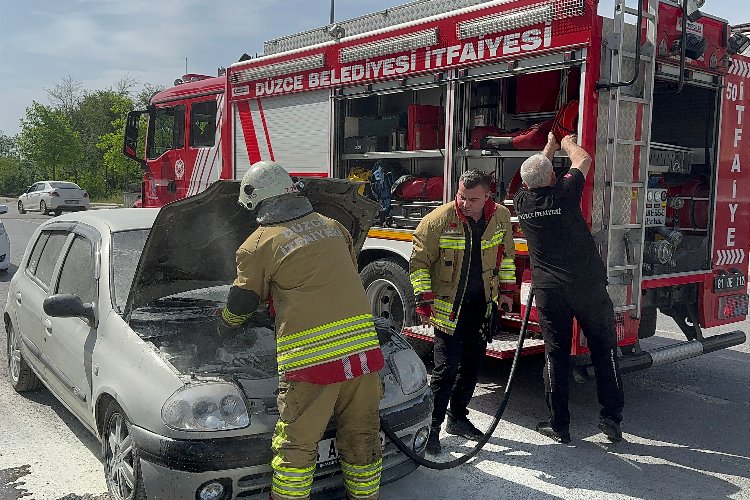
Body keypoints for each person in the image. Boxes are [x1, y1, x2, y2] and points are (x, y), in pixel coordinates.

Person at [217, 161, 385, 500]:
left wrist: (222, 328)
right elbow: (341, 276)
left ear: (257, 201)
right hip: (363, 356)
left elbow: (244, 301)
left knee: (296, 447)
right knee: (362, 436)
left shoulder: (258, 243)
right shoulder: (333, 226)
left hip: (312, 362)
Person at [514, 133, 624, 444]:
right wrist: (565, 141)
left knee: (556, 355)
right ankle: (611, 419)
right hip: (587, 287)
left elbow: (537, 170)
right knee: (604, 350)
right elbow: (584, 160)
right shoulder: (564, 192)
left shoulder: (523, 201)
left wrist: (547, 146)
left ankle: (558, 425)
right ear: (552, 176)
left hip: (549, 292)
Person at [410, 169, 516, 455]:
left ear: (487, 197)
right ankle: (431, 428)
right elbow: (419, 263)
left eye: (472, 199)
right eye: (461, 196)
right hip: (449, 311)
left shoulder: (500, 217)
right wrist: (424, 302)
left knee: (471, 368)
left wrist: (506, 291)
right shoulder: (438, 221)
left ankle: (457, 417)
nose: (465, 204)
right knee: (446, 370)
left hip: (481, 308)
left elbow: (505, 256)